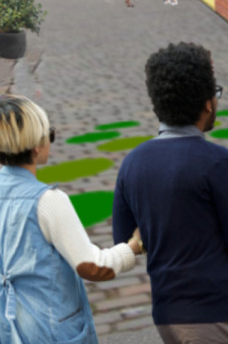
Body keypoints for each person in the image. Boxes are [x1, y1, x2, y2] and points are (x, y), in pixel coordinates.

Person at [113, 42, 228, 343]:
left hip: (167, 314)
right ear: (207, 103)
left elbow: (123, 239)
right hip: (213, 314)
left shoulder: (132, 163)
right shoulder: (217, 161)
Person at [0, 94, 144, 344]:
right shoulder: (48, 201)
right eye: (50, 134)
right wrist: (134, 246)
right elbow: (93, 266)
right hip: (48, 330)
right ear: (37, 146)